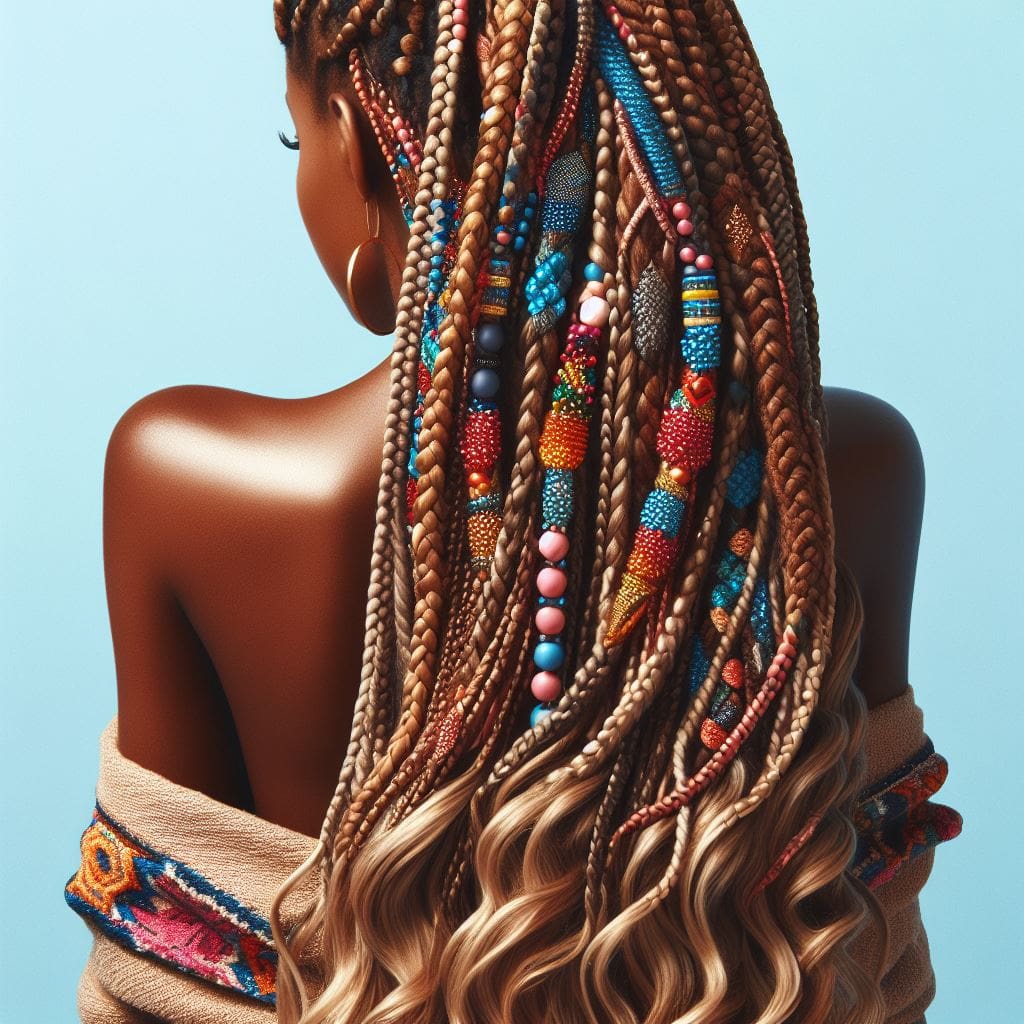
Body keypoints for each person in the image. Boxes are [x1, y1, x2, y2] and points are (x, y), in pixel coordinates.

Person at [63, 0, 963, 1021]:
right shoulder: (857, 475)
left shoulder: (186, 483)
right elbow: (870, 953)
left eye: (293, 132)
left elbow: (159, 978)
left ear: (355, 148)